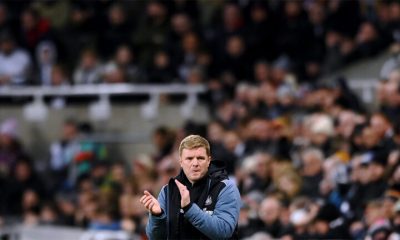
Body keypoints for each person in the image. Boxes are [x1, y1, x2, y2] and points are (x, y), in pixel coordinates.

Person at [140, 135, 241, 239]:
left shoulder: (225, 188)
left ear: (209, 160)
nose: (195, 163)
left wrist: (189, 208)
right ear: (181, 162)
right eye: (189, 158)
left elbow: (223, 232)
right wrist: (157, 216)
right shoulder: (168, 190)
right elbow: (155, 238)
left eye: (200, 158)